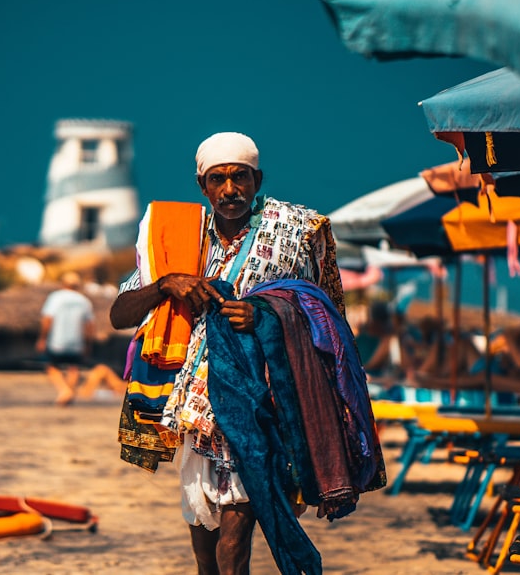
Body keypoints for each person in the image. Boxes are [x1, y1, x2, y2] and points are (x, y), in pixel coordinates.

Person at [110, 132, 386, 575]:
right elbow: (120, 313)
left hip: (265, 405)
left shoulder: (297, 232)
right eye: (217, 180)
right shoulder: (181, 239)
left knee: (235, 536)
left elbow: (329, 315)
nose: (229, 190)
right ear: (202, 186)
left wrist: (267, 315)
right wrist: (167, 284)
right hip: (197, 413)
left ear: (257, 179)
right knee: (204, 537)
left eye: (239, 177)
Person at [35, 272, 125, 406]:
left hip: (57, 340)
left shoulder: (55, 298)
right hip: (77, 341)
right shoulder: (83, 301)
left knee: (51, 366)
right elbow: (89, 325)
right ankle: (70, 392)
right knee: (74, 367)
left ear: (63, 284)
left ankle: (65, 390)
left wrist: (42, 338)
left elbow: (47, 319)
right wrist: (88, 343)